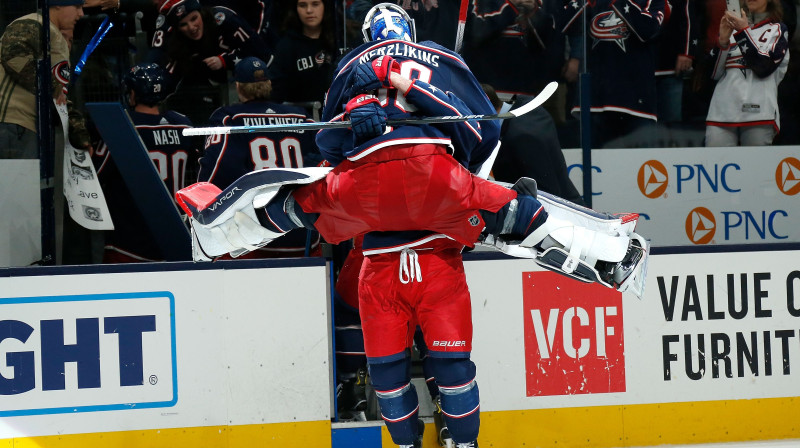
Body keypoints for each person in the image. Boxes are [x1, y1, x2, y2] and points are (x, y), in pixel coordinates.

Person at [176, 4, 647, 447]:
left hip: (368, 207)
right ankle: (608, 253)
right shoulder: (442, 58)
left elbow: (330, 147)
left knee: (297, 211)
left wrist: (359, 127)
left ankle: (212, 233)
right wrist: (462, 171)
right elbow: (484, 138)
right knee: (512, 219)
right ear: (409, 33)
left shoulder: (349, 63)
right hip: (437, 203)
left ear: (369, 37)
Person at [198, 56, 323, 257]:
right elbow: (321, 165)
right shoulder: (301, 117)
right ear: (268, 84)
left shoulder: (230, 118)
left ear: (238, 87)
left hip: (253, 234)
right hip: (301, 230)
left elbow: (216, 172)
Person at [93, 63, 197, 262]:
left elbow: (96, 172)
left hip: (129, 238)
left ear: (132, 93)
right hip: (174, 233)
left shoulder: (124, 125)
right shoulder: (182, 124)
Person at [560, 0, 666, 148]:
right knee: (594, 166)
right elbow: (561, 25)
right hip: (595, 100)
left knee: (638, 166)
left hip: (636, 102)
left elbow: (648, 31)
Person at [152, 0, 273, 123]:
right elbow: (170, 75)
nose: (191, 27)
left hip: (256, 81)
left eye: (194, 19)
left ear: (202, 14)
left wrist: (225, 60)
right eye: (183, 24)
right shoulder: (178, 42)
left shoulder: (225, 20)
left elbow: (263, 55)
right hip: (210, 87)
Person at [0, 0, 91, 159]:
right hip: (11, 123)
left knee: (26, 183)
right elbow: (13, 56)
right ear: (58, 4)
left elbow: (58, 96)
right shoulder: (34, 22)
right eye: (77, 6)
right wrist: (52, 86)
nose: (81, 13)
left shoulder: (54, 34)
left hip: (26, 127)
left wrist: (78, 132)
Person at [481, 84, 585, 206]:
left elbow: (544, 196)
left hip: (559, 216)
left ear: (485, 106)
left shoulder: (521, 137)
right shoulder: (525, 107)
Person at [704, 0, 789, 147]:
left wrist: (743, 31)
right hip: (722, 113)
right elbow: (711, 75)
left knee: (756, 167)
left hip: (759, 113)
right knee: (716, 165)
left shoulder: (778, 29)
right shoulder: (730, 30)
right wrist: (722, 42)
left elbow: (763, 68)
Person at [269, 0, 338, 104]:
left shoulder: (339, 39)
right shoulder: (286, 46)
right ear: (296, 9)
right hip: (300, 116)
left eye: (315, 4)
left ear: (325, 6)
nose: (309, 10)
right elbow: (276, 92)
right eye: (302, 5)